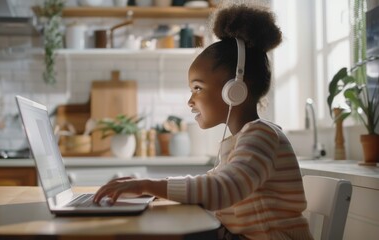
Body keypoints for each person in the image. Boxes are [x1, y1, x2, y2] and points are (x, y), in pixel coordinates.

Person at [94, 3, 313, 240]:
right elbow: (210, 181)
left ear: (235, 89)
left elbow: (223, 189)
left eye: (197, 88)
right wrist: (153, 187)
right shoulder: (243, 140)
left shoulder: (261, 136)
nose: (190, 100)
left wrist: (148, 186)